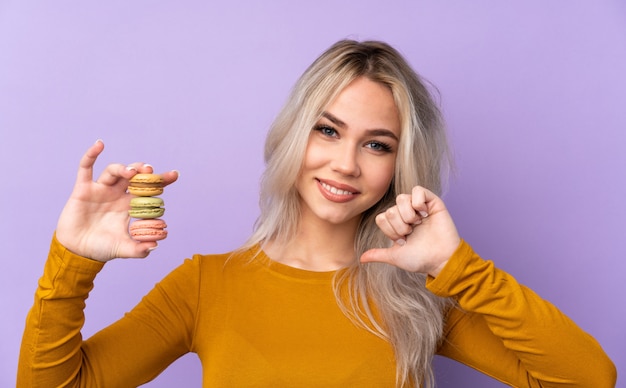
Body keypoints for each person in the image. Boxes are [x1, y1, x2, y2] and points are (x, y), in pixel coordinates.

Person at [18, 40, 616, 387]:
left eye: (377, 144)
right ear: (294, 135)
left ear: (399, 167)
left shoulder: (420, 299)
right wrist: (73, 262)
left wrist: (459, 266)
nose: (346, 164)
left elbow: (589, 378)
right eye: (328, 130)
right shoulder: (206, 287)